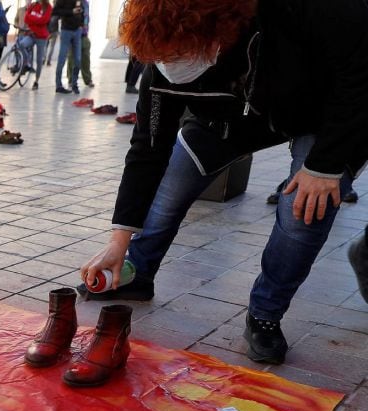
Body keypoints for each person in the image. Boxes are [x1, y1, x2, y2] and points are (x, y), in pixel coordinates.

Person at [79, 0, 368, 365]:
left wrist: (326, 165)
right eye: (162, 58)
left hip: (320, 114)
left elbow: (359, 78)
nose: (171, 64)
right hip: (232, 118)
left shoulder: (301, 10)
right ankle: (136, 272)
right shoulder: (162, 55)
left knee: (303, 212)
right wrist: (118, 239)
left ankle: (265, 314)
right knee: (171, 184)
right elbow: (147, 151)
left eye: (181, 53)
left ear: (218, 28)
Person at [51, 0, 82, 94]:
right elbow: (55, 11)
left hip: (77, 31)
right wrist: (71, 11)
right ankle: (58, 85)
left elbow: (82, 12)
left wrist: (81, 24)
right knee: (62, 58)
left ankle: (74, 84)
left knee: (78, 59)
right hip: (66, 31)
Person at [18, 0, 49, 90]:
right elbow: (26, 18)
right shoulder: (32, 5)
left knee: (39, 61)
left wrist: (33, 19)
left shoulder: (48, 7)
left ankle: (36, 81)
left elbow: (44, 21)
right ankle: (27, 62)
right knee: (21, 45)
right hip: (31, 34)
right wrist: (36, 20)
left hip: (42, 37)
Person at [65, 0, 91, 87]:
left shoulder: (86, 3)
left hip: (84, 34)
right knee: (72, 58)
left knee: (86, 58)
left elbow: (86, 18)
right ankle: (71, 80)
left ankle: (88, 80)